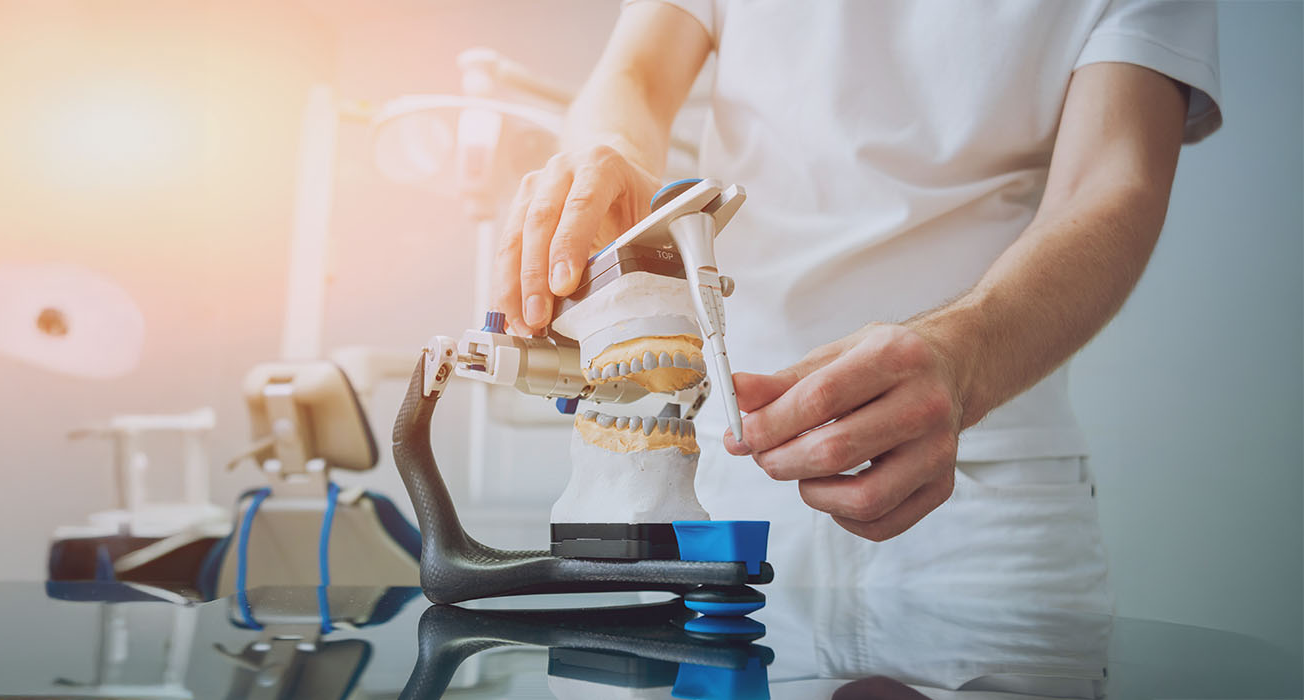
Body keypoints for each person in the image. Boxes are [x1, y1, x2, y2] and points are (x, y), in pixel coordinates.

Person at [493, 0, 1220, 603]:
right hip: (731, 482)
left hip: (984, 495)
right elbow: (637, 73)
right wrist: (609, 149)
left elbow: (1112, 183)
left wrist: (963, 361)